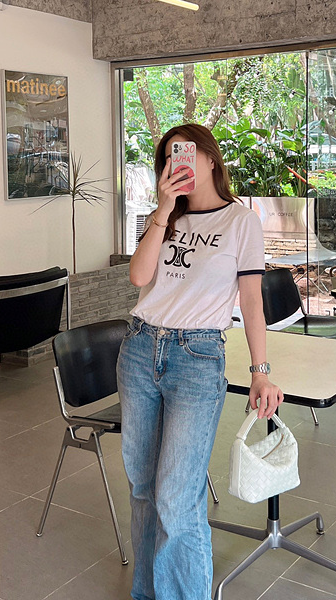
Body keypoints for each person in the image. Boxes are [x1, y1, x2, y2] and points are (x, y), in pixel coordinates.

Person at [117, 123, 284, 600]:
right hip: (140, 349)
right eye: (170, 157)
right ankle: (146, 593)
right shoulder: (165, 218)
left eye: (186, 152)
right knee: (143, 488)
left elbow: (251, 300)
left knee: (177, 496)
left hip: (197, 356)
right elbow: (138, 277)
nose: (180, 163)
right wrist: (162, 210)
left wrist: (260, 372)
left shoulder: (241, 221)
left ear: (209, 158)